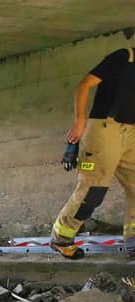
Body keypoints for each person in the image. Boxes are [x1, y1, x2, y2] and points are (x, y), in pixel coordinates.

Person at [50, 47, 135, 259]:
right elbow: (84, 84)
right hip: (105, 129)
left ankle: (133, 242)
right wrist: (80, 122)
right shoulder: (124, 56)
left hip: (131, 133)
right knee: (93, 189)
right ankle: (61, 237)